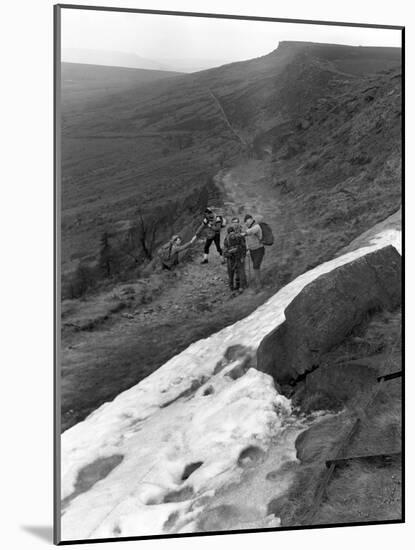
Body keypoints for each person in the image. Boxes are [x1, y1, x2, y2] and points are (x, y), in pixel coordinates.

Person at [242, 214, 265, 291]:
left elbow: (250, 232)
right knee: (255, 267)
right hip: (252, 251)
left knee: (255, 266)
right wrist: (248, 250)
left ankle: (259, 285)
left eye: (247, 221)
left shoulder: (256, 227)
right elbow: (248, 241)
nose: (246, 223)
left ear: (251, 219)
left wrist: (243, 233)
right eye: (245, 222)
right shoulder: (249, 228)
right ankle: (258, 284)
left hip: (259, 249)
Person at [223, 226, 247, 293]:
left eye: (233, 233)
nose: (232, 235)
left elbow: (244, 247)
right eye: (230, 234)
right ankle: (231, 288)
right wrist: (230, 252)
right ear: (228, 234)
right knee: (231, 274)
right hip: (230, 259)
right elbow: (224, 252)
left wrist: (242, 255)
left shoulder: (239, 238)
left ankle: (241, 286)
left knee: (241, 272)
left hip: (239, 257)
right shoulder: (226, 240)